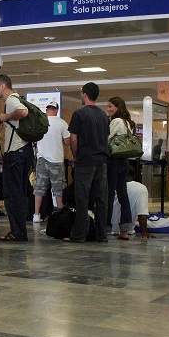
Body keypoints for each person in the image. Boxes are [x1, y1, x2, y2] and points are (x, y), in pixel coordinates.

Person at [65, 82, 110, 243]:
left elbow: (73, 138)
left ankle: (79, 234)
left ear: (85, 95)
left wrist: (75, 156)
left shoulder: (79, 114)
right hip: (101, 161)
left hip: (85, 161)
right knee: (101, 200)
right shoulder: (104, 116)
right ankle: (101, 234)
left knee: (82, 199)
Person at [0, 75, 32, 242]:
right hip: (24, 151)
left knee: (11, 194)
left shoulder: (11, 100)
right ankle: (19, 230)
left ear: (3, 86)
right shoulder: (15, 99)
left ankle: (18, 231)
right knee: (19, 193)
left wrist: (5, 117)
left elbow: (23, 112)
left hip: (15, 153)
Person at [32, 101, 70, 222]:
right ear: (57, 110)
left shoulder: (40, 122)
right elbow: (67, 142)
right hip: (56, 161)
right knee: (58, 189)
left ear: (47, 109)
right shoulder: (62, 123)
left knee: (39, 188)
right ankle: (60, 214)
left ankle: (36, 215)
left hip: (41, 160)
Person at [106, 96, 135, 241]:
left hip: (114, 161)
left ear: (118, 107)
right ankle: (125, 229)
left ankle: (105, 227)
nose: (108, 109)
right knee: (123, 195)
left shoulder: (116, 122)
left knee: (109, 194)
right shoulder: (128, 122)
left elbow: (108, 139)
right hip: (124, 161)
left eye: (110, 106)